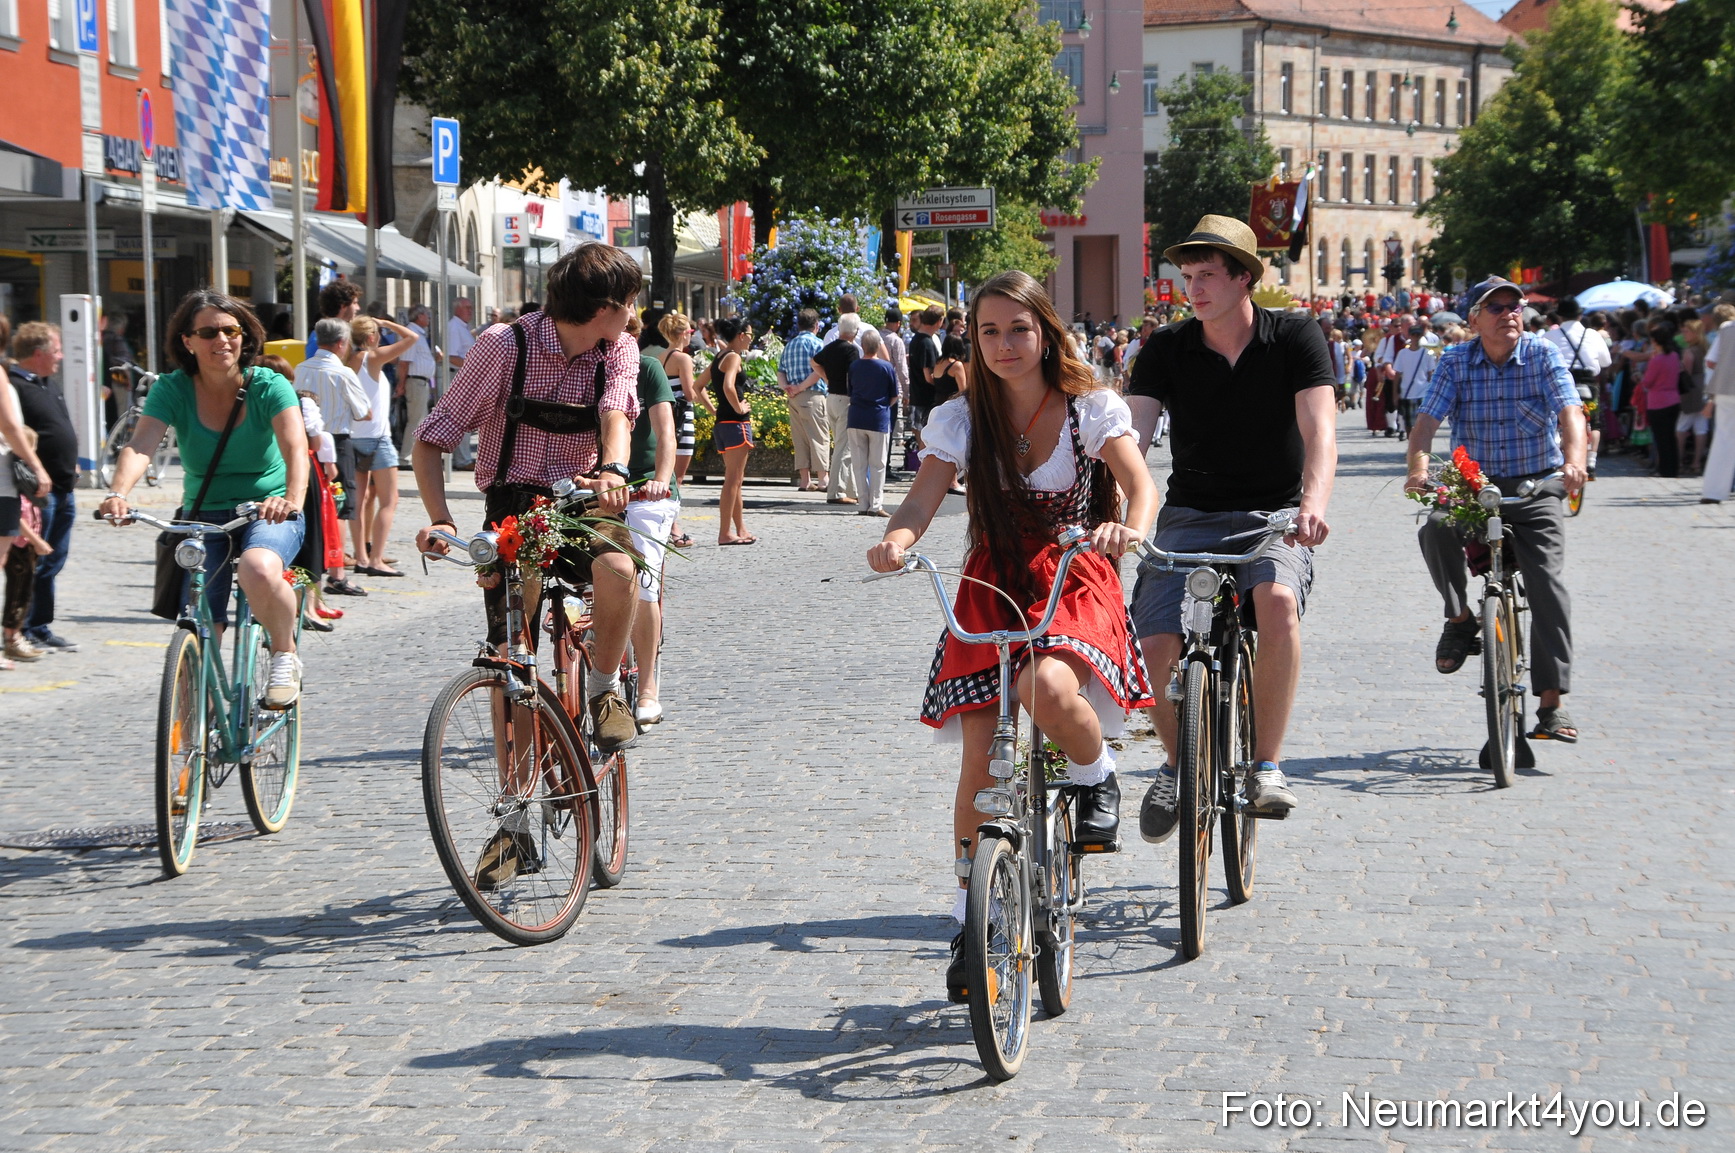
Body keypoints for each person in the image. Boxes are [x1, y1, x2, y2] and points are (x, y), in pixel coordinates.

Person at [866, 269, 1156, 1002]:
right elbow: (923, 496)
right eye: (988, 331)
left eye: (1018, 329)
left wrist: (1129, 527)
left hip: (1074, 568)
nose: (1003, 345)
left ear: (1045, 331)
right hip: (992, 579)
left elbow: (1140, 482)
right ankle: (974, 910)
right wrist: (896, 541)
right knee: (980, 754)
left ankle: (1096, 774)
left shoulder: (1089, 407)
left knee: (1045, 685)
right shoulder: (962, 419)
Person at [1126, 214, 1337, 836]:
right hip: (1189, 516)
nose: (1192, 288)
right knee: (1155, 643)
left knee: (1275, 604)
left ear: (1245, 279)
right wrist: (1120, 511)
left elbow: (1320, 430)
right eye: (1187, 276)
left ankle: (1266, 765)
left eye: (1208, 275)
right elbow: (1133, 437)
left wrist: (1313, 503)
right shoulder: (1165, 348)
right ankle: (1173, 764)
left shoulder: (1295, 337)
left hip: (1275, 515)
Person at [413, 243, 645, 753]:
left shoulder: (618, 349)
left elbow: (615, 416)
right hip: (513, 507)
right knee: (512, 660)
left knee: (620, 570)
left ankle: (604, 688)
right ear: (605, 307)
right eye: (629, 302)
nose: (633, 315)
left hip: (581, 497)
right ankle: (513, 822)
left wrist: (611, 469)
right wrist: (441, 519)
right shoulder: (504, 346)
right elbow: (432, 439)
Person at [99, 290, 310, 708]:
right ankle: (200, 709)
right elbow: (141, 445)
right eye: (209, 332)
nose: (222, 340)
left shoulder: (268, 384)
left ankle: (284, 652)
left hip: (267, 509)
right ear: (188, 341)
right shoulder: (173, 389)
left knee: (259, 569)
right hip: (203, 515)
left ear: (244, 336)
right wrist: (117, 493)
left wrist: (290, 498)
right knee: (201, 618)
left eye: (231, 330)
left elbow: (295, 447)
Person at [1406, 276, 1585, 743]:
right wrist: (1418, 470)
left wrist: (1574, 463)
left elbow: (1570, 413)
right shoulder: (1457, 360)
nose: (1509, 313)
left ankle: (1551, 703)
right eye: (1497, 306)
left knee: (1547, 583)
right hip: (1475, 487)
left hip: (1536, 485)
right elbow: (1426, 422)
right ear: (1474, 319)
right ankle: (1461, 620)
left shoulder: (1543, 354)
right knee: (1436, 528)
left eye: (1515, 305)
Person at [620, 313, 678, 727]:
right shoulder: (585, 366)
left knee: (644, 585)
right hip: (597, 489)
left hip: (644, 489)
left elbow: (665, 431)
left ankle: (647, 686)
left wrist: (660, 478)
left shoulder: (648, 368)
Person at [7, 322, 80, 652]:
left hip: (64, 486)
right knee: (31, 560)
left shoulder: (47, 383)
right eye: (56, 351)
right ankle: (20, 627)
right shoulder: (13, 386)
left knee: (53, 560)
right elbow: (15, 434)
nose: (60, 357)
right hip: (37, 489)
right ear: (39, 353)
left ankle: (39, 624)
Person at [295, 318, 372, 597]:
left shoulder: (300, 368)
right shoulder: (342, 373)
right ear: (341, 343)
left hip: (305, 442)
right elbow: (363, 410)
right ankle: (337, 573)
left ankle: (311, 567)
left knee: (311, 504)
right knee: (340, 505)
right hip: (337, 443)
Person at [342, 314, 419, 576]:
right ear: (372, 336)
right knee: (389, 500)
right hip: (376, 437)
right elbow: (412, 338)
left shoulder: (347, 360)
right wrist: (387, 324)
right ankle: (375, 559)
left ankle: (362, 556)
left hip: (352, 437)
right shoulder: (371, 357)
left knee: (359, 500)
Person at [653, 311, 709, 547]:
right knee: (677, 478)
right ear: (684, 333)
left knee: (666, 475)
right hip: (681, 420)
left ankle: (667, 526)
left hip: (663, 418)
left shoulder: (660, 356)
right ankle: (674, 529)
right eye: (690, 332)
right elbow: (689, 393)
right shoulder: (683, 359)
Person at [1544, 297, 1611, 478]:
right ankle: (1591, 462)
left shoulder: (1549, 336)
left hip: (1561, 382)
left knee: (1559, 420)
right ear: (1580, 315)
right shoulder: (1593, 335)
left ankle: (1562, 456)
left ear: (1559, 316)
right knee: (1594, 422)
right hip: (1588, 381)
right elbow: (1606, 361)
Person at [707, 317, 757, 544]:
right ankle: (725, 532)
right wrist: (738, 407)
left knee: (735, 479)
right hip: (736, 424)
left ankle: (740, 529)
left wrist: (714, 410)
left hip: (722, 423)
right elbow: (728, 386)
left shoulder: (720, 356)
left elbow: (698, 387)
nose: (750, 339)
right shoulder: (734, 356)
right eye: (750, 335)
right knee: (733, 480)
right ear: (741, 335)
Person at [845, 327, 897, 516]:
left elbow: (850, 391)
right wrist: (883, 407)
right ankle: (876, 505)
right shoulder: (886, 367)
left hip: (856, 417)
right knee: (878, 464)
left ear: (863, 346)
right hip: (878, 418)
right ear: (877, 347)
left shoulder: (854, 366)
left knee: (859, 464)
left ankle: (862, 504)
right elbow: (894, 395)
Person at [778, 309, 829, 492]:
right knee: (818, 436)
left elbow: (780, 371)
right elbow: (819, 371)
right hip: (812, 395)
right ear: (816, 325)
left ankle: (805, 480)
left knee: (799, 439)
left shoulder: (789, 345)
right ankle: (823, 479)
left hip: (793, 398)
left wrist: (788, 388)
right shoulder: (817, 344)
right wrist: (801, 387)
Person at [814, 315, 860, 505]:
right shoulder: (851, 350)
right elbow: (854, 375)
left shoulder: (830, 347)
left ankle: (851, 489)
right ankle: (837, 492)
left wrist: (826, 378)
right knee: (844, 448)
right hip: (846, 399)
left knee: (841, 444)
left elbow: (814, 363)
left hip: (831, 397)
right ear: (855, 331)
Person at [1633, 319, 1682, 478]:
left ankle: (1664, 470)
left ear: (1654, 340)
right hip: (1673, 399)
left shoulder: (1657, 360)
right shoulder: (1674, 356)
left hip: (1658, 402)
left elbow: (1648, 381)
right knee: (1671, 437)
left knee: (1661, 439)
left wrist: (1640, 376)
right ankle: (1673, 468)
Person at [1700, 303, 1735, 503]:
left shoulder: (1726, 329)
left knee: (1723, 440)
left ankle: (1713, 492)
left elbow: (1711, 361)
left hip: (1725, 389)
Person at [397, 304, 439, 460]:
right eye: (426, 315)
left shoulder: (419, 334)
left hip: (422, 382)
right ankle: (406, 455)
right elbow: (404, 362)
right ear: (420, 316)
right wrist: (401, 384)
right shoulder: (412, 333)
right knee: (416, 419)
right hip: (415, 381)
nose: (428, 318)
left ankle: (412, 454)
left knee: (420, 418)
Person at [1393, 326, 1438, 436]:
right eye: (1414, 335)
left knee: (1421, 423)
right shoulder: (1402, 353)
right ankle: (1411, 446)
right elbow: (1397, 375)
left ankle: (1419, 447)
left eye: (1418, 335)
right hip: (1407, 392)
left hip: (1423, 391)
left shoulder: (1427, 353)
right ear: (1410, 336)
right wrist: (1395, 393)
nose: (1416, 337)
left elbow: (1430, 373)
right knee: (1409, 423)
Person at [304, 279, 361, 358]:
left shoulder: (347, 331)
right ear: (343, 306)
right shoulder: (318, 337)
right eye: (354, 303)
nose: (358, 308)